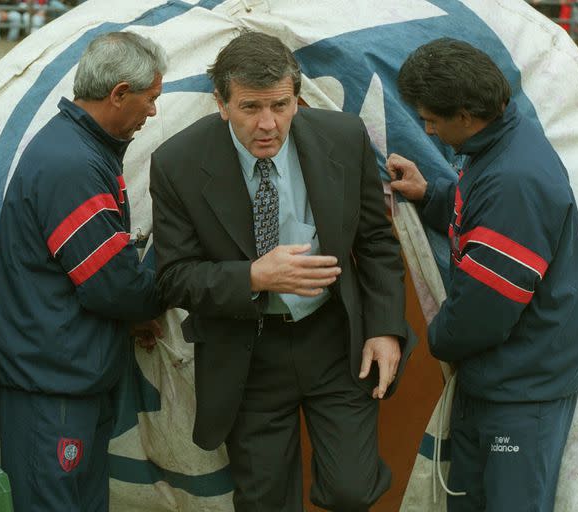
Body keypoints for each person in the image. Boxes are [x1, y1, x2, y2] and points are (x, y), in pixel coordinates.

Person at [149, 31, 416, 512]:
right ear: (221, 103)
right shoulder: (177, 164)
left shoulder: (343, 135)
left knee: (352, 490)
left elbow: (375, 242)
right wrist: (253, 277)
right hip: (248, 354)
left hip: (335, 340)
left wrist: (385, 328)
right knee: (266, 501)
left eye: (281, 105)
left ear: (297, 97)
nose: (268, 124)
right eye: (251, 107)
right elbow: (173, 277)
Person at [387, 38, 578, 512]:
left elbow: (483, 315)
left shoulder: (515, 181)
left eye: (432, 119)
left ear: (465, 113)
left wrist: (433, 339)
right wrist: (430, 195)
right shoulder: (501, 142)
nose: (428, 129)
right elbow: (482, 223)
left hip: (521, 397)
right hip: (506, 380)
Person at [0, 31, 167, 511]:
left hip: (68, 377)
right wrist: (175, 287)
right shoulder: (71, 163)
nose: (153, 112)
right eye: (151, 99)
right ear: (119, 94)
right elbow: (113, 285)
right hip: (51, 386)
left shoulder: (79, 148)